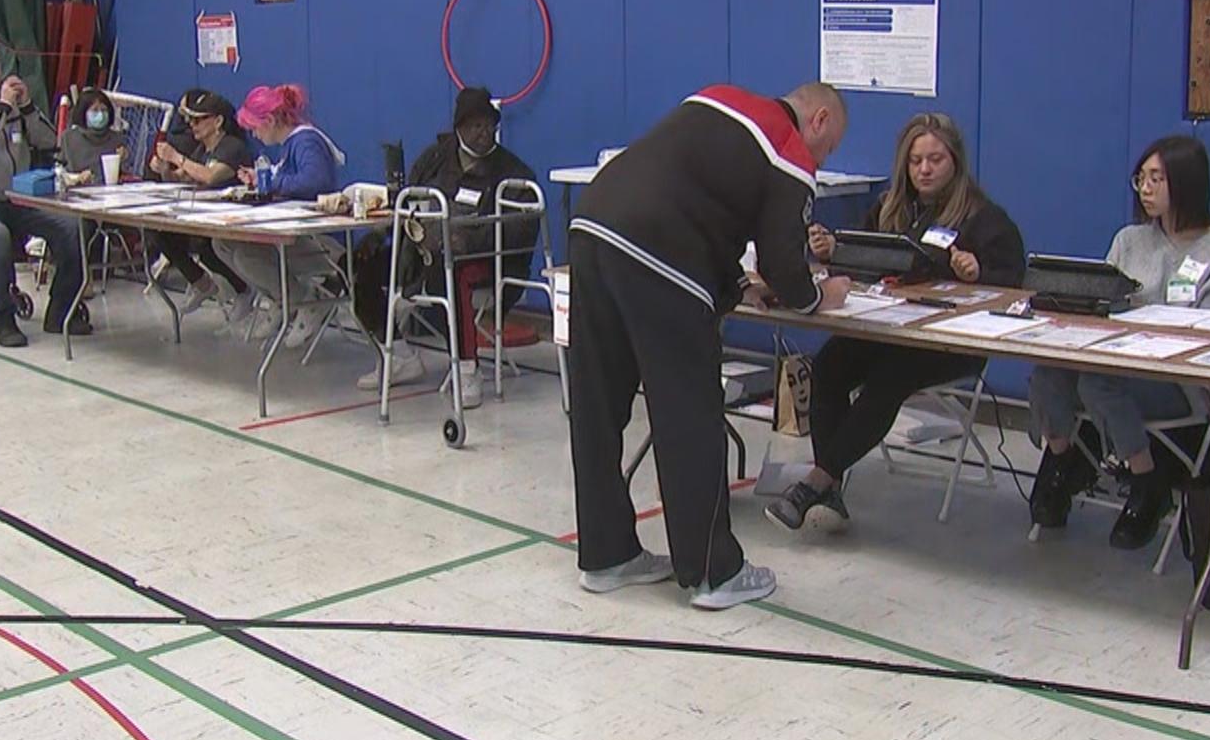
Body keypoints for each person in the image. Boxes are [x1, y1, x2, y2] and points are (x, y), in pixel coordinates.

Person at [568, 82, 852, 610]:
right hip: (659, 251)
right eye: (829, 146)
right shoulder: (788, 148)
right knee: (689, 412)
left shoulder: (715, 99)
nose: (822, 158)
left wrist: (742, 284)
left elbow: (700, 201)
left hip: (593, 224)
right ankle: (713, 573)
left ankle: (607, 555)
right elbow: (787, 267)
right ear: (817, 121)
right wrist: (821, 297)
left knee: (597, 403)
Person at [767, 112, 1026, 533]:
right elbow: (868, 262)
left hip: (950, 343)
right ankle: (829, 484)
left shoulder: (984, 218)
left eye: (935, 160)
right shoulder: (890, 208)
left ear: (955, 162)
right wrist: (834, 250)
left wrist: (979, 273)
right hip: (891, 329)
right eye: (916, 161)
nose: (924, 169)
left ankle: (817, 480)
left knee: (889, 378)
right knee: (829, 365)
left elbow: (1014, 286)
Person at [1027, 135, 1210, 549]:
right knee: (1049, 373)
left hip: (1176, 382)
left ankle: (1148, 482)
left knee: (1095, 383)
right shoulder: (1129, 239)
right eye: (1140, 179)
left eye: (1156, 179)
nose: (1145, 188)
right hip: (1114, 361)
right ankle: (1063, 459)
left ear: (1186, 182)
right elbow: (1100, 297)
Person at [352, 86, 538, 410]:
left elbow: (521, 231)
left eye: (488, 125)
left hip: (486, 258)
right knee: (360, 266)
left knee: (451, 273)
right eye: (474, 126)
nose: (483, 133)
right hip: (424, 247)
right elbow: (408, 200)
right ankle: (397, 354)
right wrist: (391, 233)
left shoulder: (514, 173)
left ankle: (467, 367)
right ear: (459, 129)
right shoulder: (434, 159)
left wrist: (466, 241)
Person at [0, 41, 90, 348]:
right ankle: (2, 318)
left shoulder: (14, 106)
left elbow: (51, 140)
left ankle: (61, 310)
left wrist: (28, 108)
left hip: (18, 199)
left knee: (72, 227)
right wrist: (3, 109)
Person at [218, 83, 345, 347]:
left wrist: (271, 184)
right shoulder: (291, 145)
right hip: (299, 234)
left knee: (246, 256)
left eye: (255, 127)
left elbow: (315, 181)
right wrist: (262, 179)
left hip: (320, 241)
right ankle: (283, 299)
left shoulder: (306, 141)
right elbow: (290, 178)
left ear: (271, 120)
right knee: (223, 244)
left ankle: (306, 301)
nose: (253, 134)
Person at [144, 89, 255, 316]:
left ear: (217, 121)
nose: (192, 125)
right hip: (203, 214)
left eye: (197, 119)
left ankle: (244, 289)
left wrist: (177, 157)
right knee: (160, 233)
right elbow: (184, 176)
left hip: (231, 217)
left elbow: (211, 176)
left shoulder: (232, 147)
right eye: (189, 120)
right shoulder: (202, 149)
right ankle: (201, 283)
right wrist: (165, 167)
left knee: (205, 247)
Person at [58, 88, 128, 182]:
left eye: (104, 110)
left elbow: (125, 174)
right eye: (95, 110)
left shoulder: (117, 139)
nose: (100, 115)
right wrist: (77, 178)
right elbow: (59, 172)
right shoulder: (68, 139)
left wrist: (124, 159)